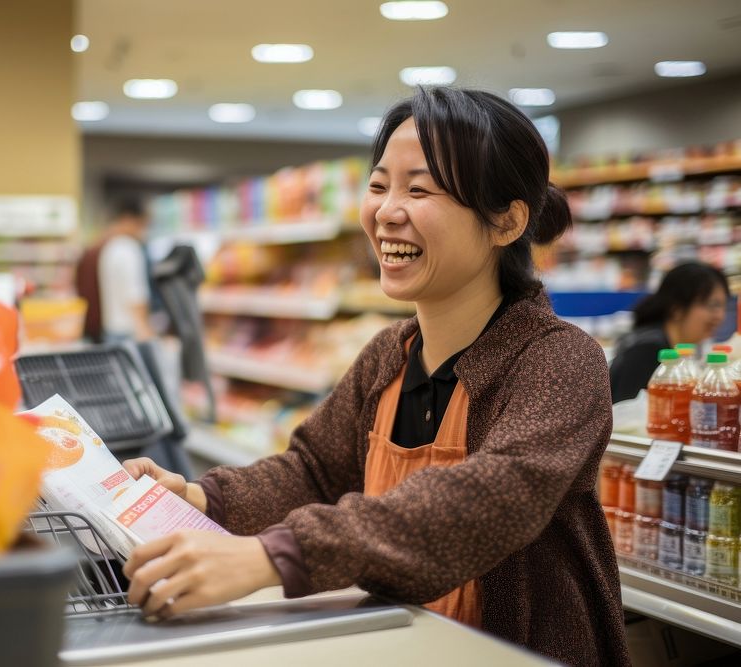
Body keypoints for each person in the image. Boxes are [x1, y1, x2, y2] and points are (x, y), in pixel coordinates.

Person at [122, 87, 630, 666]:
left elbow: (491, 496)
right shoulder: (389, 354)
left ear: (506, 221)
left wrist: (271, 557)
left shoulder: (559, 361)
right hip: (404, 643)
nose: (387, 211)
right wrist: (198, 497)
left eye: (419, 189)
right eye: (379, 184)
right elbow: (315, 471)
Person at [609, 262, 729, 403]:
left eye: (723, 306)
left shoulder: (667, 347)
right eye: (712, 306)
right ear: (677, 309)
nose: (720, 316)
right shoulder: (647, 351)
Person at [75, 199, 155, 342]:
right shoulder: (127, 248)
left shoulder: (103, 246)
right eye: (143, 224)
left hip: (108, 330)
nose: (144, 232)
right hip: (128, 331)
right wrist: (145, 331)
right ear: (128, 219)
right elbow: (135, 295)